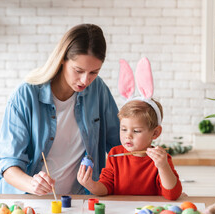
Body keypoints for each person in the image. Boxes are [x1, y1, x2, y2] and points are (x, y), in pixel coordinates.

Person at [0, 23, 121, 195]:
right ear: (62, 59)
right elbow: (8, 165)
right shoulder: (25, 94)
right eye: (78, 70)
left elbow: (119, 146)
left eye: (93, 72)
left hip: (79, 201)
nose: (85, 80)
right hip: (29, 203)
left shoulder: (97, 90)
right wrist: (32, 184)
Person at [77, 58, 182, 200]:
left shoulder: (161, 158)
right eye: (124, 129)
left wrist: (163, 166)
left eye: (136, 131)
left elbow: (172, 194)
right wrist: (90, 184)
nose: (128, 136)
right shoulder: (115, 154)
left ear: (155, 133)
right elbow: (106, 187)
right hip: (121, 213)